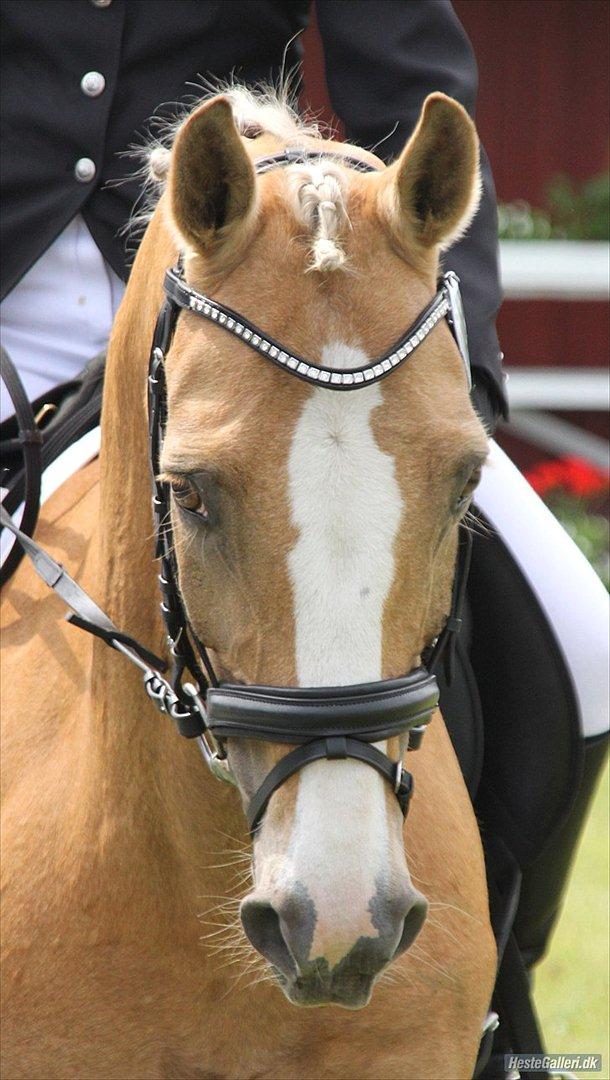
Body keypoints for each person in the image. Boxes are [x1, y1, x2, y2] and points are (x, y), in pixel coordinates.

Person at [1, 2, 608, 1072]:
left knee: (583, 629)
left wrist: (441, 368)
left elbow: (408, 68)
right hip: (17, 310)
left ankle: (496, 1004)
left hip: (266, 290)